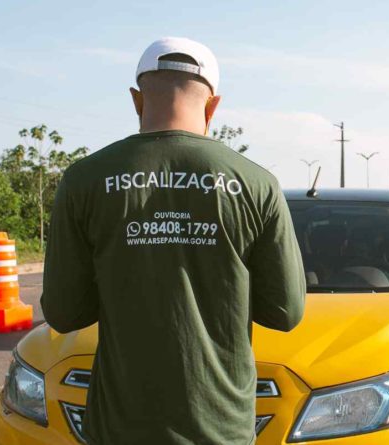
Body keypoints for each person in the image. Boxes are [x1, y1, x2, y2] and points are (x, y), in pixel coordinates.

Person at [41, 37, 306, 445]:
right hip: (221, 427)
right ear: (213, 105)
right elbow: (285, 311)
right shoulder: (256, 184)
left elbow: (64, 312)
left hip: (119, 428)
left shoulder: (85, 179)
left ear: (137, 100)